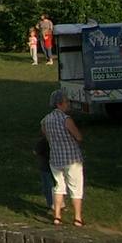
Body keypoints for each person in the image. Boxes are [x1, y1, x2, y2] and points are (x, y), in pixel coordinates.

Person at [42, 90, 85, 227]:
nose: (68, 104)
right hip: (71, 158)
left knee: (59, 186)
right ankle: (77, 218)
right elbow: (78, 137)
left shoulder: (45, 121)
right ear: (60, 103)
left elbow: (47, 138)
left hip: (55, 157)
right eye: (66, 102)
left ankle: (57, 217)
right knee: (75, 187)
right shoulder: (66, 119)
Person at [34, 134, 55, 214]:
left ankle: (52, 204)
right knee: (57, 186)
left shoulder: (44, 141)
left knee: (48, 187)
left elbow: (35, 151)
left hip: (45, 167)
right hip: (56, 166)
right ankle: (60, 203)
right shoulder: (57, 140)